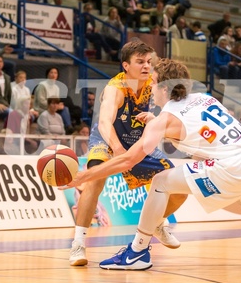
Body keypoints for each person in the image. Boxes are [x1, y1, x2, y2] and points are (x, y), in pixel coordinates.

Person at [68, 58, 241, 270]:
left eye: (153, 82)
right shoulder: (205, 98)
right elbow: (194, 132)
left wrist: (85, 176)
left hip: (233, 165)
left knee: (161, 181)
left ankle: (137, 251)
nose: (150, 87)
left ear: (163, 88)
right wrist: (158, 123)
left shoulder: (163, 121)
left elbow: (130, 159)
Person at [67, 39, 186, 267]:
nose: (146, 66)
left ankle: (158, 224)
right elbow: (103, 122)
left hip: (136, 140)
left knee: (178, 184)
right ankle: (78, 244)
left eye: (149, 62)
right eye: (140, 62)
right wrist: (119, 149)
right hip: (107, 138)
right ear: (125, 66)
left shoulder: (154, 85)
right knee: (95, 179)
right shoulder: (116, 88)